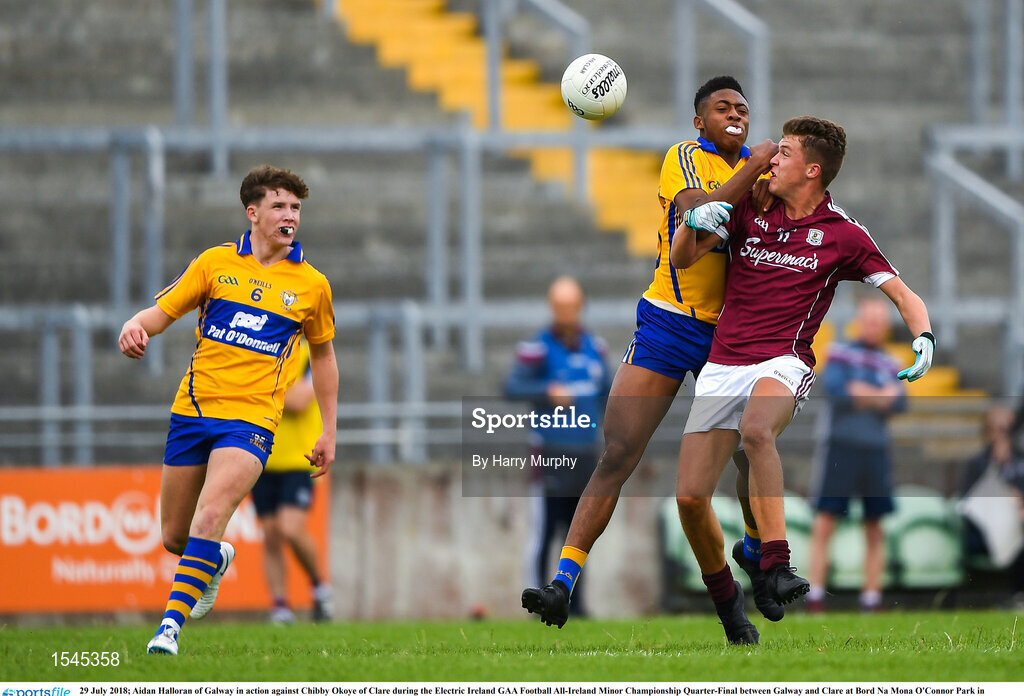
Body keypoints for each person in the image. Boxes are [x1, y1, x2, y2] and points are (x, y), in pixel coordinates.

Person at [522, 76, 781, 640]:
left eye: (742, 107)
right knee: (618, 451)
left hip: (730, 334)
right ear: (700, 122)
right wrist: (753, 167)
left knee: (747, 452)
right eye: (721, 107)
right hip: (667, 321)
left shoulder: (766, 176)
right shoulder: (684, 158)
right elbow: (699, 216)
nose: (735, 114)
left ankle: (757, 554)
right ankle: (564, 582)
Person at [671, 116, 934, 638]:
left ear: (812, 170)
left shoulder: (843, 235)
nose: (771, 158)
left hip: (783, 361)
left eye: (784, 152)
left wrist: (923, 336)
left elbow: (904, 296)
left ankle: (776, 562)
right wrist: (698, 221)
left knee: (756, 431)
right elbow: (682, 259)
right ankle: (729, 606)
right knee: (690, 498)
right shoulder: (751, 203)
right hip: (724, 361)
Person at [119, 165, 338, 656]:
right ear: (253, 212)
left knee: (211, 513)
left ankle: (168, 628)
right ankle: (214, 559)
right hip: (193, 412)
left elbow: (323, 358)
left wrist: (330, 430)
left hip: (253, 421)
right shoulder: (215, 263)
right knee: (176, 537)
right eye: (279, 206)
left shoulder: (311, 285)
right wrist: (135, 325)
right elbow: (164, 312)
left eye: (296, 208)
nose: (290, 216)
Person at [505, 276, 613, 619]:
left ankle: (574, 603)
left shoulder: (596, 348)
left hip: (586, 453)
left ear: (580, 307)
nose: (565, 312)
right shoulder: (537, 347)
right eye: (559, 306)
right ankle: (537, 605)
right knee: (544, 531)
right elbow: (510, 387)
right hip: (550, 452)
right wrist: (545, 391)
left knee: (579, 530)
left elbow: (610, 393)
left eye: (571, 305)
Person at [806, 297, 908, 613]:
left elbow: (901, 402)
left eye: (880, 320)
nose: (874, 325)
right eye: (870, 318)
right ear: (860, 320)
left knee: (875, 526)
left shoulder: (893, 361)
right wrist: (881, 396)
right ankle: (816, 595)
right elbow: (839, 392)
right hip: (841, 447)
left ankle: (871, 597)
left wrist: (864, 394)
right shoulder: (839, 353)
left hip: (876, 451)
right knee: (825, 522)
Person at [251, 339, 334, 623]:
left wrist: (260, 388)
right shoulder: (258, 352)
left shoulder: (307, 355)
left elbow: (301, 400)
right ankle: (280, 606)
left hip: (301, 458)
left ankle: (319, 586)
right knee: (271, 534)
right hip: (261, 456)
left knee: (290, 527)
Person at [959, 404, 1024, 607]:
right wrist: (995, 468)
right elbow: (969, 501)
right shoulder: (977, 463)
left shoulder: (1020, 460)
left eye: (1005, 430)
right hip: (984, 534)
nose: (1000, 436)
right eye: (994, 430)